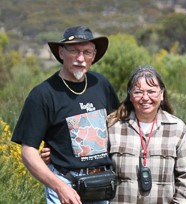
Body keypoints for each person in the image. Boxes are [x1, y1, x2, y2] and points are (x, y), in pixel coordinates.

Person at [11, 25, 119, 204]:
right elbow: (28, 151)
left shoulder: (101, 84)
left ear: (94, 55)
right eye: (74, 51)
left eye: (87, 52)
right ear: (61, 52)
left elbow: (117, 123)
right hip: (65, 185)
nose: (80, 58)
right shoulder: (43, 94)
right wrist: (60, 187)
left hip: (102, 185)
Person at [108, 65, 186, 203]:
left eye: (151, 91)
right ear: (130, 95)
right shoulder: (113, 126)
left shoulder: (177, 129)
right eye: (138, 92)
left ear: (162, 94)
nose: (145, 98)